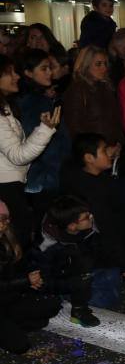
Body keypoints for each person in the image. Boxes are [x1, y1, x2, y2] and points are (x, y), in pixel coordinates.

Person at [59, 134, 125, 307]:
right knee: (105, 301)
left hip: (90, 255)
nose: (109, 153)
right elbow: (109, 231)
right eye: (103, 150)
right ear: (88, 158)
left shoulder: (79, 176)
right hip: (101, 258)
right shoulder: (94, 193)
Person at [0, 55, 58, 248]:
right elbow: (18, 156)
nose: (16, 76)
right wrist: (45, 129)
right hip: (6, 188)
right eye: (10, 73)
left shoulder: (6, 107)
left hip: (12, 184)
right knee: (16, 243)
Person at [15, 49, 72, 232]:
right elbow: (38, 143)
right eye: (44, 68)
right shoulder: (32, 102)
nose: (50, 73)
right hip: (45, 180)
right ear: (28, 73)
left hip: (49, 176)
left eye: (50, 68)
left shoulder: (40, 98)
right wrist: (52, 175)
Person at [0, 199, 62, 354]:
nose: (5, 223)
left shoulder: (7, 239)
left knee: (52, 306)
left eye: (6, 218)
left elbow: (15, 269)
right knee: (20, 346)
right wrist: (25, 281)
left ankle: (11, 324)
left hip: (8, 298)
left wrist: (29, 281)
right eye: (1, 219)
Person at [35, 195, 101, 327]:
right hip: (52, 276)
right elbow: (42, 279)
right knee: (48, 309)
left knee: (103, 294)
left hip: (74, 267)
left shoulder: (88, 229)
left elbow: (94, 251)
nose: (92, 218)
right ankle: (69, 301)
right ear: (71, 226)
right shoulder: (46, 245)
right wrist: (72, 284)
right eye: (86, 218)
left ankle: (78, 308)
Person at [62, 45, 125, 147]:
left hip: (114, 148)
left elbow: (116, 121)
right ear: (86, 65)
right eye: (98, 64)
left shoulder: (107, 87)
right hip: (93, 152)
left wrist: (119, 144)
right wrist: (98, 150)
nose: (104, 68)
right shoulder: (77, 90)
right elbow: (75, 128)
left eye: (105, 64)